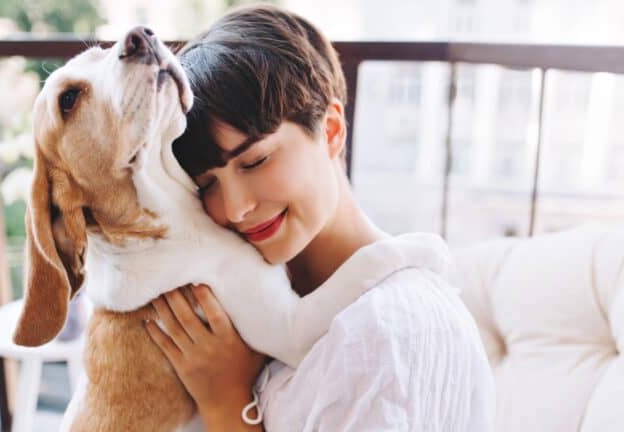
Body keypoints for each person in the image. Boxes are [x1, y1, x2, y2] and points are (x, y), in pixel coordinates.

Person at [143, 4, 495, 431]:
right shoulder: (247, 309)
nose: (235, 208)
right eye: (207, 185)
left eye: (255, 161)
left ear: (330, 130)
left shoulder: (385, 331)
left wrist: (227, 403)